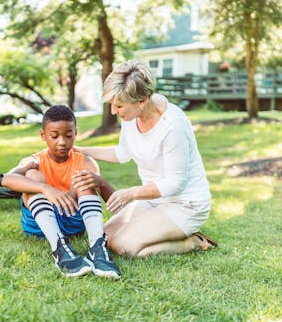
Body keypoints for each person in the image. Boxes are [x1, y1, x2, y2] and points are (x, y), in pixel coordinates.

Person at [72, 60, 217, 258]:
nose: (114, 111)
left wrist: (131, 193)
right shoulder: (131, 118)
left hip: (185, 205)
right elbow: (123, 152)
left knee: (124, 247)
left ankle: (193, 242)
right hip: (154, 200)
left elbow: (176, 182)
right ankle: (159, 230)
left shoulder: (173, 126)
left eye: (119, 106)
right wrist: (82, 150)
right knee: (104, 237)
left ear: (142, 101)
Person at [1, 105, 121, 279]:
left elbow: (114, 204)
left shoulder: (85, 161)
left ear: (76, 133)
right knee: (32, 176)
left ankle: (97, 248)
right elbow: (7, 179)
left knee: (85, 177)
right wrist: (46, 189)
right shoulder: (35, 159)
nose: (62, 142)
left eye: (68, 135)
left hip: (73, 221)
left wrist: (100, 182)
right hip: (39, 225)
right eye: (54, 136)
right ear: (43, 135)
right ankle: (59, 247)